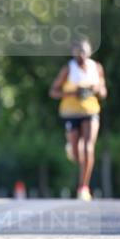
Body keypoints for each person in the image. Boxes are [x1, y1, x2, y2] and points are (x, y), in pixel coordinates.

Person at [49, 37, 107, 200]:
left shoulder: (96, 68)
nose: (81, 54)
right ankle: (73, 148)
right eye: (77, 51)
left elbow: (103, 92)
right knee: (76, 153)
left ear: (89, 51)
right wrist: (73, 93)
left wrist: (94, 90)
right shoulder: (68, 69)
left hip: (90, 111)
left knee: (89, 147)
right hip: (70, 113)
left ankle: (83, 187)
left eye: (84, 51)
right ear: (73, 53)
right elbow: (53, 91)